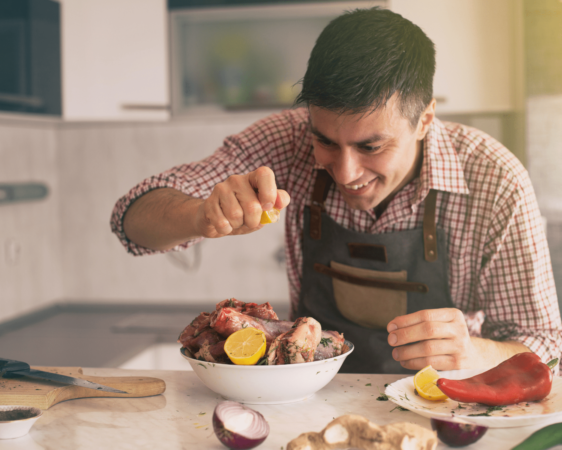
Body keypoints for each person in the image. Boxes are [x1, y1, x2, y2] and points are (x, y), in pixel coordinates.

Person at [110, 8, 562, 374]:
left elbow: (547, 347)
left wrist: (476, 354)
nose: (344, 172)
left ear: (424, 119)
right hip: (307, 403)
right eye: (325, 140)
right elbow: (131, 218)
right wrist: (200, 215)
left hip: (441, 408)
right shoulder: (285, 139)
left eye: (371, 146)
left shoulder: (495, 180)